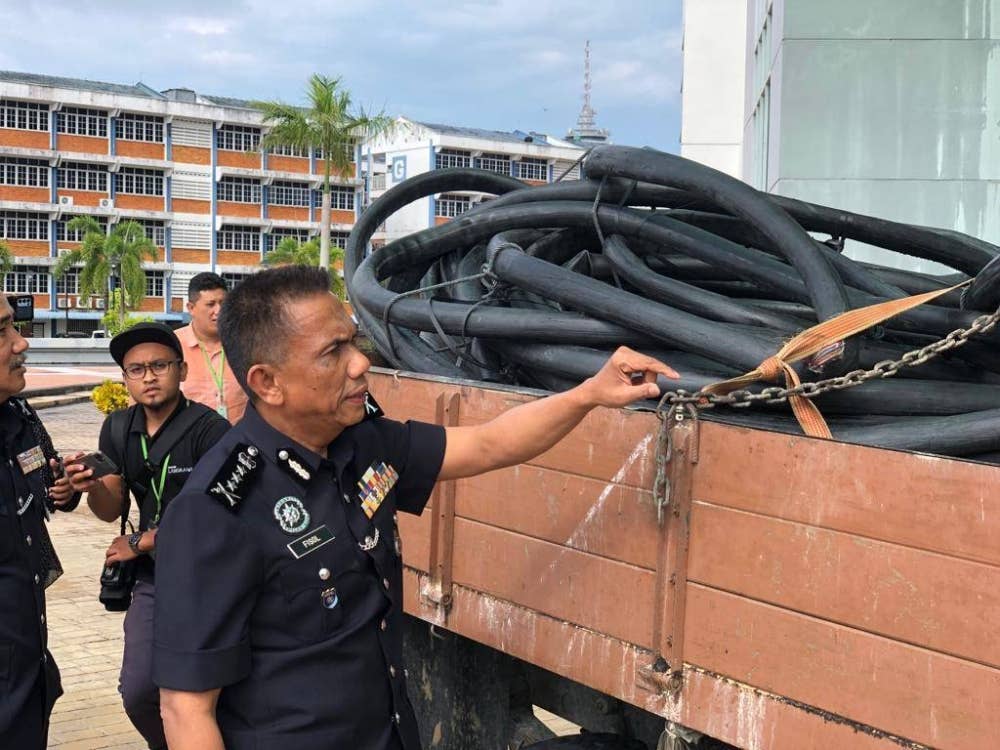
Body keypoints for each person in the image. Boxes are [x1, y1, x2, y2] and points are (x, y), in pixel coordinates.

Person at [152, 266, 678, 750]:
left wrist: (588, 394)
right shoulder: (216, 510)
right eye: (333, 352)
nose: (360, 363)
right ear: (268, 382)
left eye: (354, 340)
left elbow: (487, 444)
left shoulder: (360, 441)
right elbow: (185, 708)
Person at [64, 323, 229, 750]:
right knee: (138, 691)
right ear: (125, 379)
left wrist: (141, 542)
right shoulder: (119, 428)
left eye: (159, 365)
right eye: (136, 369)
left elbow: (215, 514)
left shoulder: (211, 431)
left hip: (207, 577)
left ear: (181, 369)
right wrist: (92, 487)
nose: (148, 376)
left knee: (203, 689)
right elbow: (110, 510)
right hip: (153, 579)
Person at [0, 297, 79, 749]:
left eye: (15, 326)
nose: (21, 343)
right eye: (2, 332)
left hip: (26, 659)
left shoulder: (19, 415)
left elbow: (46, 483)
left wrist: (65, 486)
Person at [174, 272, 247, 424]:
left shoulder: (244, 343)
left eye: (223, 303)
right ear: (191, 308)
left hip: (238, 441)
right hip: (190, 442)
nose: (219, 311)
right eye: (210, 304)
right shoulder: (172, 345)